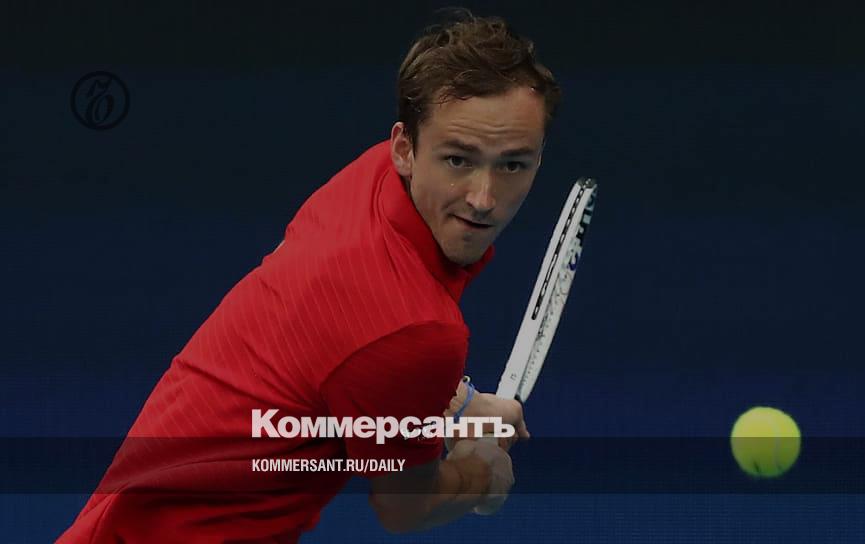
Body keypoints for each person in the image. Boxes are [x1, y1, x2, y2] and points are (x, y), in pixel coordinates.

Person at [58, 8, 561, 542]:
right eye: (459, 160)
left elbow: (350, 345)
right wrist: (481, 474)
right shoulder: (416, 331)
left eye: (512, 164)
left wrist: (458, 404)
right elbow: (406, 507)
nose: (483, 199)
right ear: (405, 148)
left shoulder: (370, 179)